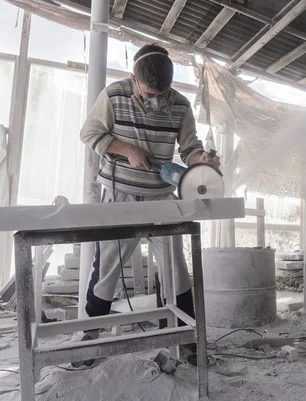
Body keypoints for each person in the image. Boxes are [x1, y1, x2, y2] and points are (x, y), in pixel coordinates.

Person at [76, 43, 220, 367]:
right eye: (149, 93)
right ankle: (90, 339)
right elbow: (89, 133)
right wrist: (126, 148)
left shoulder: (181, 105)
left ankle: (185, 339)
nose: (156, 100)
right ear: (133, 79)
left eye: (161, 93)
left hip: (160, 197)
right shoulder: (114, 95)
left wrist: (202, 160)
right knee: (108, 268)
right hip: (120, 194)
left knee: (175, 269)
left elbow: (190, 147)